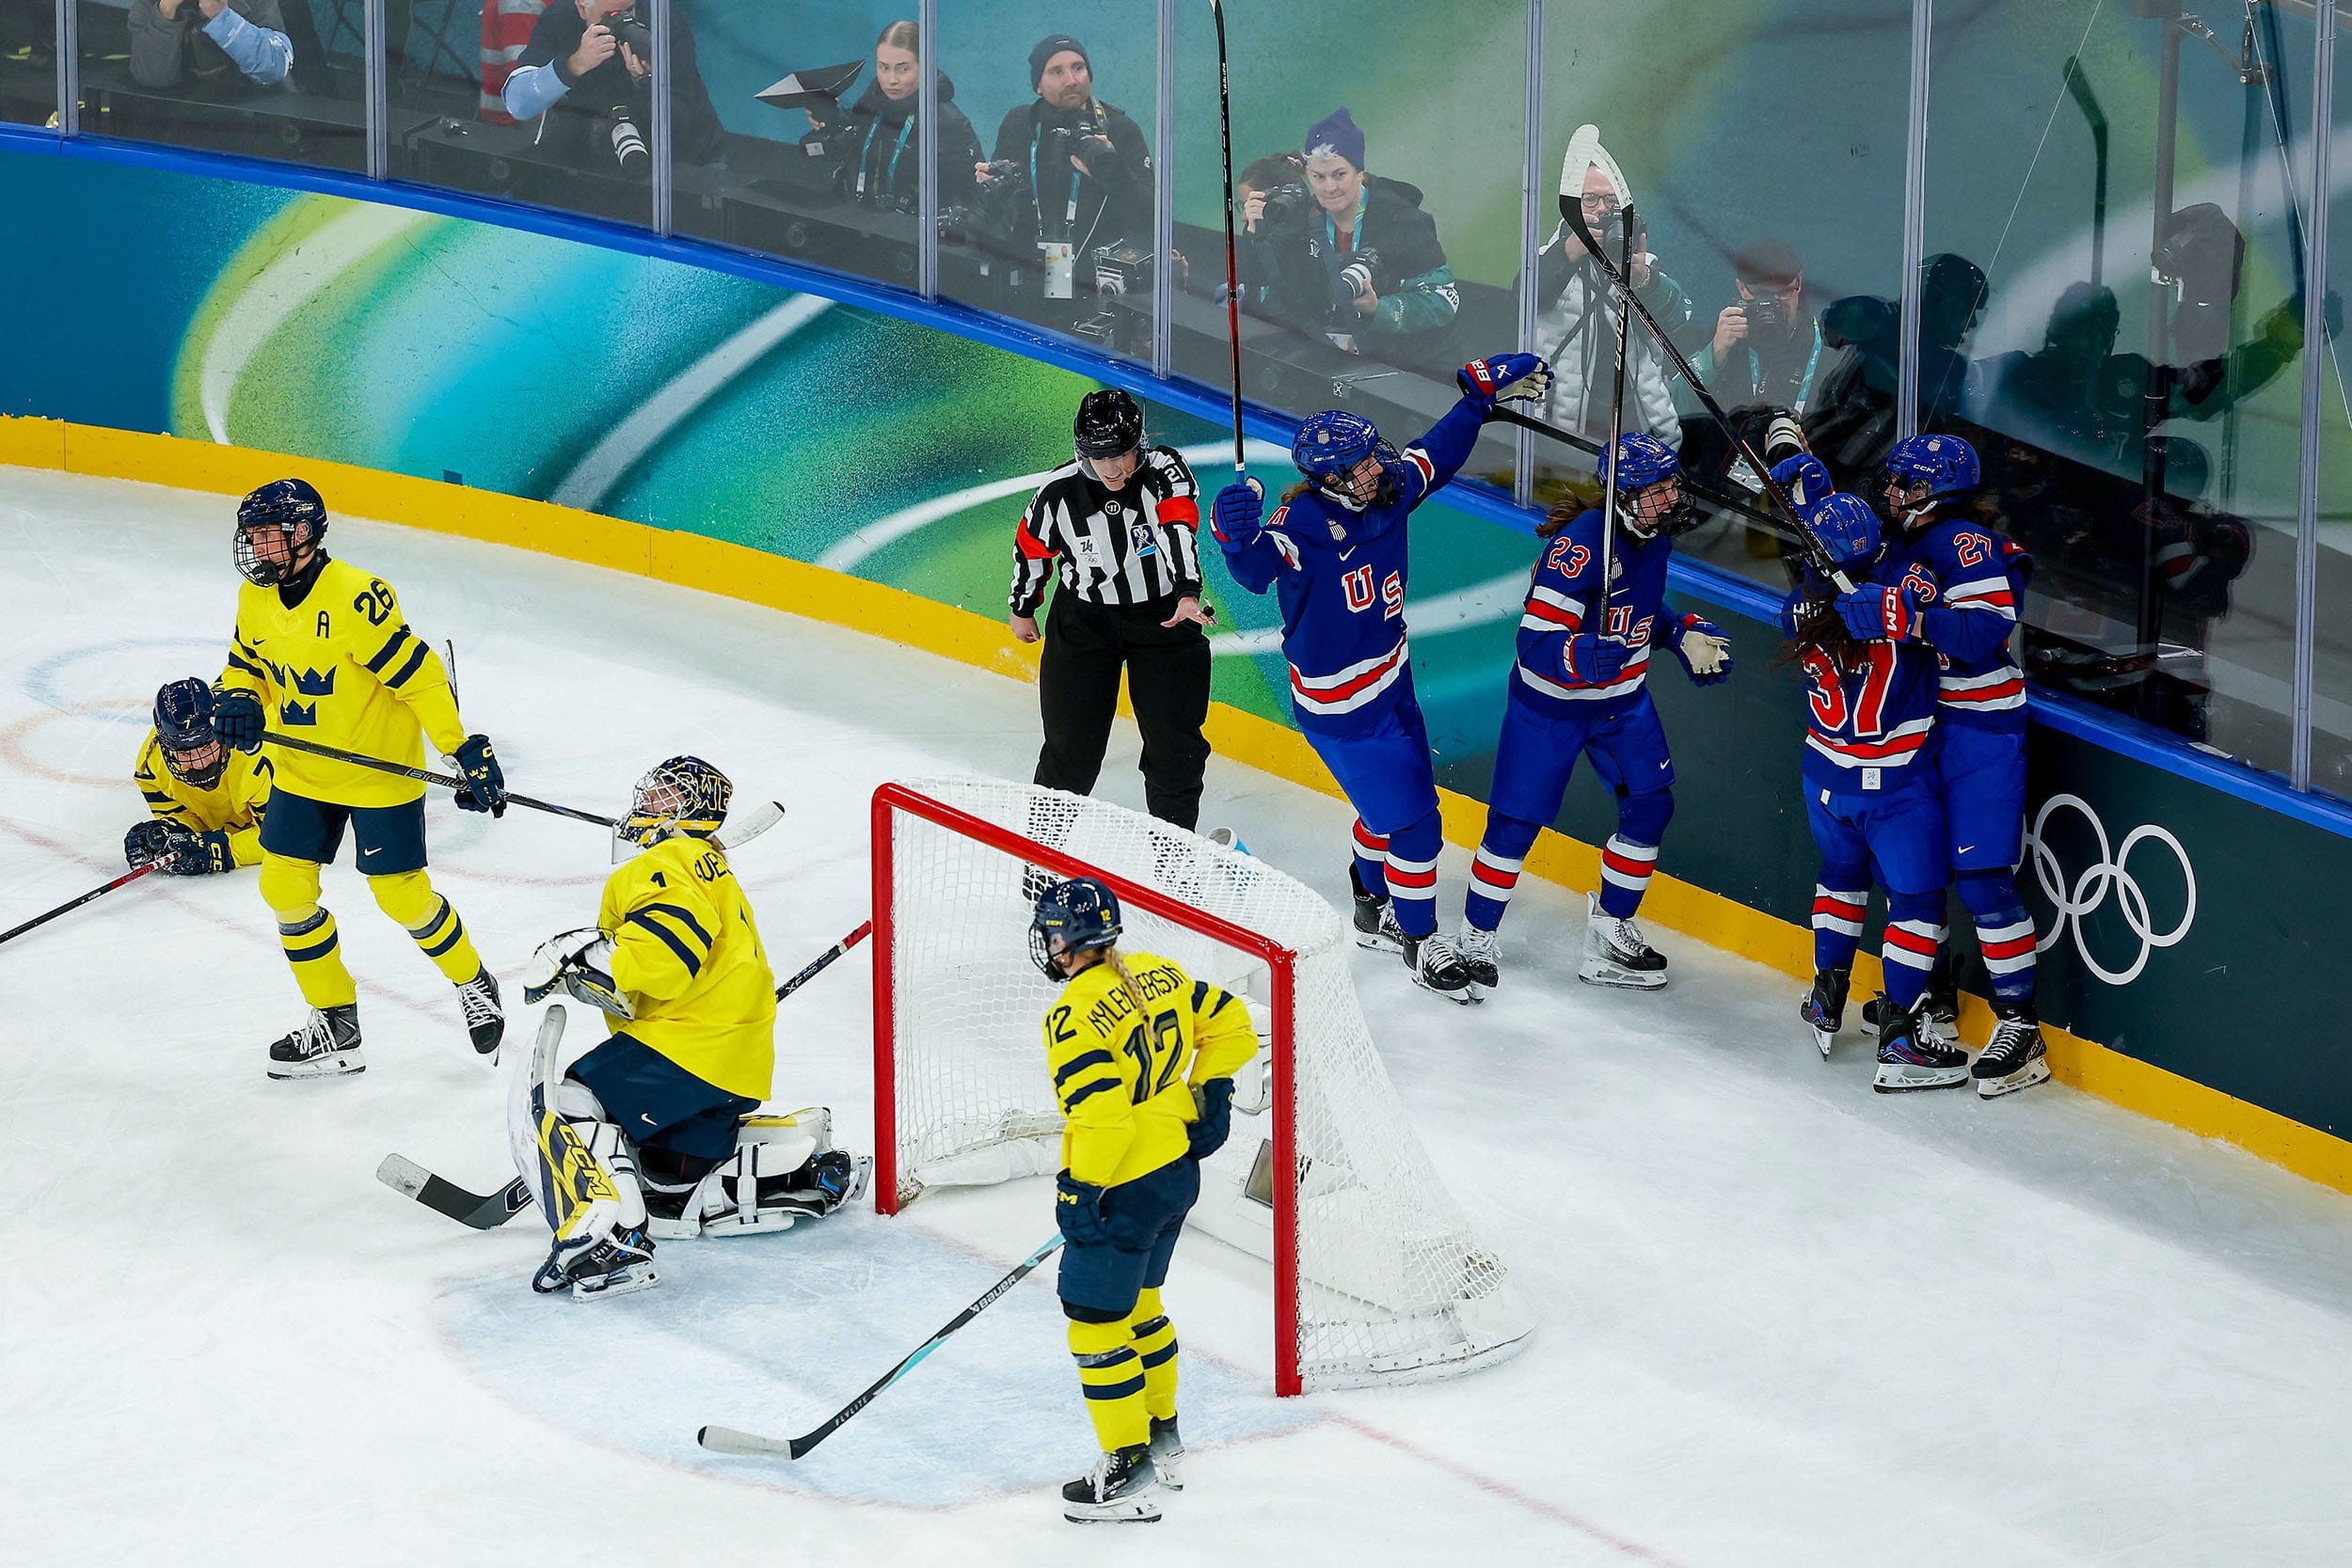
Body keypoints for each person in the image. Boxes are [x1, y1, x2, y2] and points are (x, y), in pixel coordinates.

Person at [1210, 352, 1551, 1000]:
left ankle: (1371, 901)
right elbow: (1256, 570)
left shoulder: (1386, 490)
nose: (1377, 466)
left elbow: (1436, 455)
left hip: (1393, 685)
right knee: (1419, 822)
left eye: (1373, 455)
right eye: (1363, 463)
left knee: (1387, 809)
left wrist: (1477, 399)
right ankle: (1420, 943)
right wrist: (1234, 541)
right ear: (1332, 478)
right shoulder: (1301, 525)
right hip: (1343, 711)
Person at [519, 756, 866, 1300]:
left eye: (663, 797)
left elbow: (665, 956)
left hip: (692, 1046)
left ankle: (618, 1243)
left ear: (690, 813)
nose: (647, 804)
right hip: (734, 1055)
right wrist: (583, 973)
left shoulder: (666, 862)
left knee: (570, 1102)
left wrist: (586, 954)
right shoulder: (701, 861)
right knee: (671, 1179)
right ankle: (796, 1172)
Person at [209, 478, 508, 1079]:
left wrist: (461, 748)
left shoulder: (356, 597)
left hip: (376, 774)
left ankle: (473, 981)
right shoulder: (254, 598)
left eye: (273, 537)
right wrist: (238, 698)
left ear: (308, 536)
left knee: (402, 896)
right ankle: (336, 1025)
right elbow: (246, 668)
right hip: (302, 771)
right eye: (254, 537)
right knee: (284, 890)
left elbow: (419, 675)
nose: (259, 550)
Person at [1459, 434, 1730, 997]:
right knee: (1515, 824)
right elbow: (1533, 642)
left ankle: (1609, 932)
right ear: (1624, 496)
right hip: (1550, 709)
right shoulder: (1579, 548)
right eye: (1656, 491)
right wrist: (1576, 653)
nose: (1671, 497)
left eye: (1671, 485)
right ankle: (1473, 938)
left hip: (1623, 703)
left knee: (1652, 807)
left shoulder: (1653, 536)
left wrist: (1679, 634)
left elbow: (1642, 605)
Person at [1030, 876, 1257, 1523]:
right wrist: (1211, 1091)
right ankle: (1163, 1438)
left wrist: (1080, 1191)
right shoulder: (1158, 971)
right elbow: (1235, 1024)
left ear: (1068, 941)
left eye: (1051, 932)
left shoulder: (1072, 1013)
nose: (1046, 943)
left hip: (1124, 1186)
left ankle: (1125, 1467)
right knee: (1144, 1306)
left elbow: (1104, 1119)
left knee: (1095, 1322)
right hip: (1175, 1174)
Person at [1842, 433, 2048, 1098]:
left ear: (1944, 490)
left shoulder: (1968, 543)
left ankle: (2022, 1027)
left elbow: (1985, 631)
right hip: (1923, 727)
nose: (1895, 493)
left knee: (1984, 879)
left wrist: (1901, 614)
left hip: (1981, 731)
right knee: (1916, 875)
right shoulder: (1900, 542)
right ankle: (1933, 1001)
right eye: (1895, 480)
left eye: (1910, 483)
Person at [1779, 493, 1967, 1092]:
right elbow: (1923, 600)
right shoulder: (1894, 597)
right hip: (1894, 786)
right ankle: (1901, 1039)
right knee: (1917, 905)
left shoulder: (1799, 607)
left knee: (1840, 877)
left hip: (1825, 780)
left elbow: (1824, 582)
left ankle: (1827, 996)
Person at [1009, 389, 1214, 829]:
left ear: (1140, 442)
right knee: (1069, 752)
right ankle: (1042, 862)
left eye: (1122, 453)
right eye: (1101, 457)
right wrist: (1023, 605)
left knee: (1175, 750)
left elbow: (1178, 526)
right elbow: (1031, 547)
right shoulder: (1057, 492)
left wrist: (1187, 591)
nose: (1115, 467)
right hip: (1083, 622)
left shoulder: (1164, 471)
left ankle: (1174, 864)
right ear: (1082, 454)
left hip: (1166, 616)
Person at [1236, 107, 1460, 373]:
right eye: (1318, 177)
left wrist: (1380, 309)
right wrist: (1256, 232)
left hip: (1409, 369)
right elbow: (1263, 284)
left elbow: (1445, 301)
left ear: (1360, 172)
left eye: (1339, 174)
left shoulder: (1403, 221)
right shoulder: (1303, 218)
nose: (1329, 187)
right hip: (1333, 363)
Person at [1523, 124, 1692, 445]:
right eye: (1590, 200)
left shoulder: (1646, 265)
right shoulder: (1547, 257)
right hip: (1559, 429)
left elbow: (1677, 322)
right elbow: (1523, 301)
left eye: (1611, 202)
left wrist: (1641, 280)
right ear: (1572, 203)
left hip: (1635, 424)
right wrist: (1570, 252)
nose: (1602, 209)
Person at [979, 33, 1152, 261]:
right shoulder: (1020, 123)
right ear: (1038, 85)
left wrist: (1113, 171)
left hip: (1096, 275)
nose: (1072, 80)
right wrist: (990, 184)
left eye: (1078, 68)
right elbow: (998, 211)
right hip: (1025, 267)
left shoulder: (1120, 130)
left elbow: (1149, 219)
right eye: (1057, 71)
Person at [501, 0, 724, 173]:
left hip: (676, 159)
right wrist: (573, 64)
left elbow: (687, 120)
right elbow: (518, 104)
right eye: (610, 16)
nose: (623, 22)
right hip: (587, 153)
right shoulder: (560, 20)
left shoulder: (664, 24)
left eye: (629, 10)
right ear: (582, 8)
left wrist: (649, 81)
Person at [815, 20, 983, 211]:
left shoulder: (949, 123)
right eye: (884, 67)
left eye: (903, 69)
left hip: (913, 233)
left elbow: (972, 198)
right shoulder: (871, 100)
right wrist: (833, 121)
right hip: (857, 220)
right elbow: (855, 150)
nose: (891, 80)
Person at [123, 677, 275, 879]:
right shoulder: (151, 767)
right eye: (185, 754)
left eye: (206, 747)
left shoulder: (255, 760)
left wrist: (226, 852)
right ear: (165, 746)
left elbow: (287, 838)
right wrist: (171, 829)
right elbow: (193, 816)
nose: (200, 764)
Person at [1692, 238, 1826, 418]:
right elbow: (1677, 407)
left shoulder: (1828, 347)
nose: (1774, 305)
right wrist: (1713, 355)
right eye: (1763, 295)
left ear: (1799, 282)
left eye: (1783, 292)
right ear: (1742, 288)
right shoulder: (1722, 338)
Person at [127, 0, 293, 91]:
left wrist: (223, 17)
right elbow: (152, 78)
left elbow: (274, 67)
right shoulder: (150, 5)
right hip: (180, 126)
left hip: (257, 122)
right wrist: (166, 11)